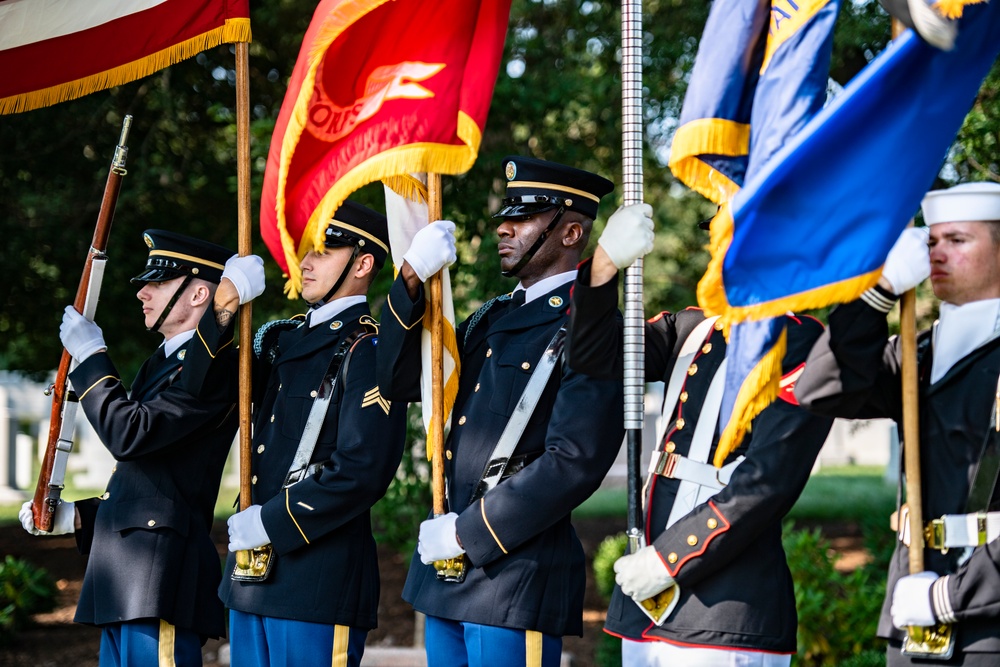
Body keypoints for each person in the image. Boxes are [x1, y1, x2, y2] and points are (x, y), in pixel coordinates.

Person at [376, 156, 625, 666]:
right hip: (446, 573)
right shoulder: (494, 316)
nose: (503, 229)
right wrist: (409, 283)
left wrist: (467, 533)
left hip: (513, 571)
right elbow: (400, 381)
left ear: (571, 231)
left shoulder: (591, 322)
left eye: (524, 218)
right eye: (503, 218)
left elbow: (574, 460)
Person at [565, 204, 834, 666]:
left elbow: (766, 483)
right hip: (646, 607)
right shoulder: (692, 328)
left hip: (724, 610)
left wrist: (668, 560)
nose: (720, 251)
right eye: (717, 237)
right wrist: (604, 266)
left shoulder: (805, 344)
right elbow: (594, 355)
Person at [19, 229, 265, 666]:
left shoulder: (214, 369)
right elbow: (153, 476)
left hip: (159, 577)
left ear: (198, 295)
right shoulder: (164, 361)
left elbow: (130, 435)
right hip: (130, 575)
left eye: (158, 283)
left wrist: (93, 357)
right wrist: (79, 516)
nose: (143, 294)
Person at [180, 200, 408, 667]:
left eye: (322, 251)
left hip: (316, 580)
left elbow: (362, 470)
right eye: (305, 251)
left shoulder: (371, 350)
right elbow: (199, 390)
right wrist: (223, 306)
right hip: (251, 580)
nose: (303, 263)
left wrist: (270, 523)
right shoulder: (281, 341)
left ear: (363, 263)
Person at [795, 182, 1000, 666]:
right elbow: (823, 389)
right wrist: (876, 296)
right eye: (931, 241)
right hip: (912, 602)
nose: (937, 254)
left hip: (985, 615)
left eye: (958, 240)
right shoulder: (919, 351)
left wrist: (953, 595)